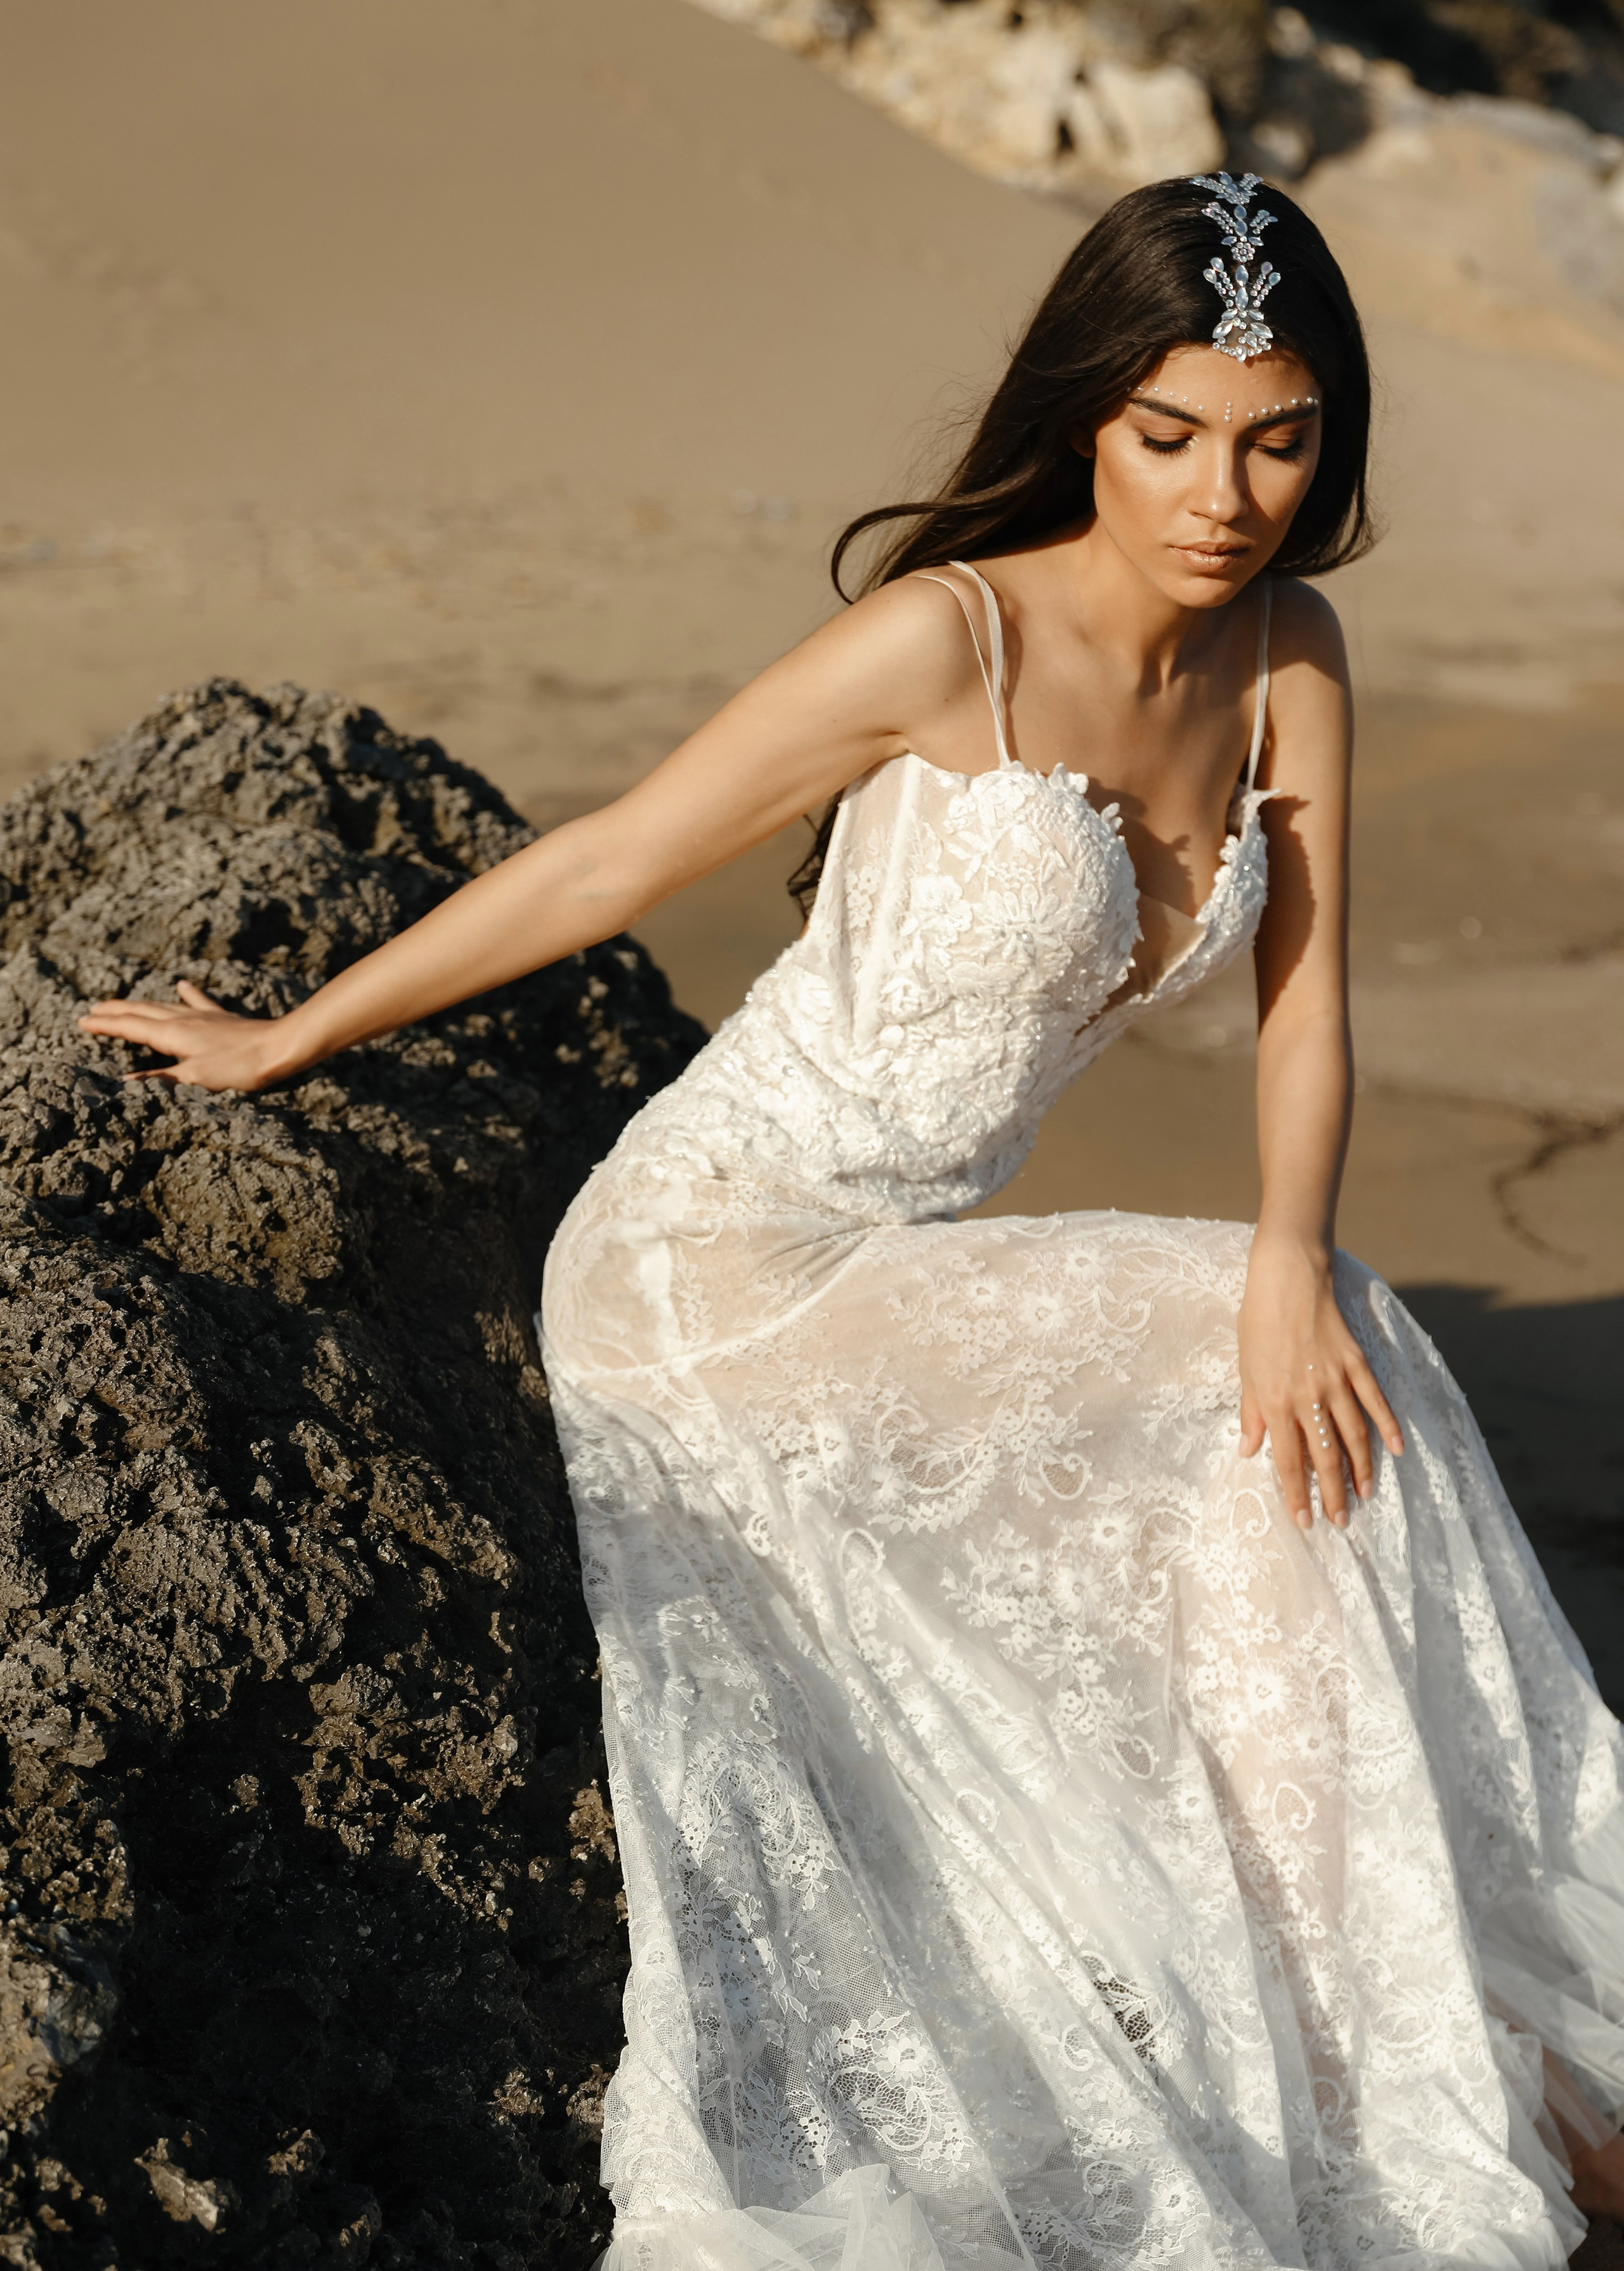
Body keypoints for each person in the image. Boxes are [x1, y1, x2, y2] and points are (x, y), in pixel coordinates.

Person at [81, 176, 1624, 2270]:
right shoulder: (951, 634)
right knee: (1282, 1367)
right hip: (708, 1264)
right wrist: (292, 1038)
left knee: (1307, 1379)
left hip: (900, 1272)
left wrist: (1280, 1255)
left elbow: (1306, 1024)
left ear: (1328, 443)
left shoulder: (1292, 661)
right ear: (1092, 414)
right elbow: (615, 856)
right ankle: (1396, 2073)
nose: (1223, 492)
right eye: (1170, 431)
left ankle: (1400, 2048)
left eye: (1277, 438)